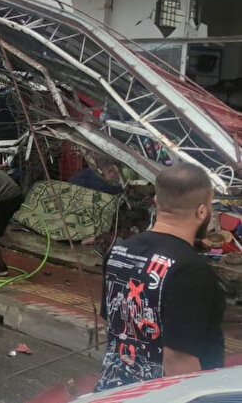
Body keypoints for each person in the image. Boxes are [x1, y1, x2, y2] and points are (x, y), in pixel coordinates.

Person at [95, 163, 225, 392]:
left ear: (156, 202)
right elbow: (179, 360)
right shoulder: (192, 272)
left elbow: (112, 321)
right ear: (202, 211)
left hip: (113, 391)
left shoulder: (119, 251)